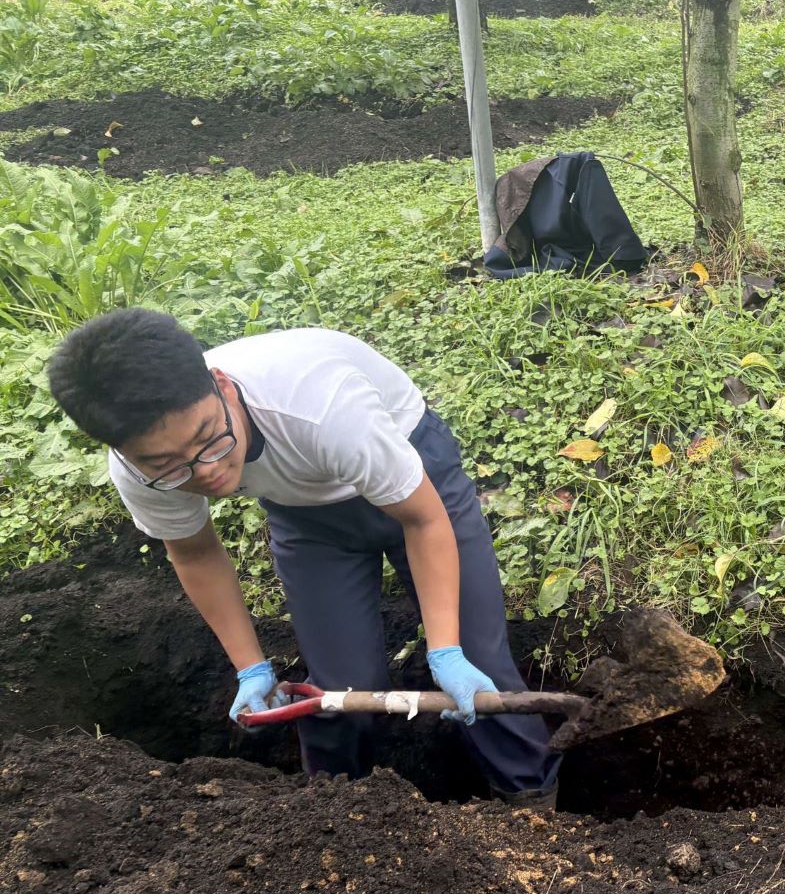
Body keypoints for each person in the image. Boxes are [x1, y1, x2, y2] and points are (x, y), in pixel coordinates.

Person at [47, 310, 560, 807]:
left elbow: (423, 521)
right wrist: (251, 668)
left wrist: (445, 652)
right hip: (308, 518)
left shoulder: (323, 407)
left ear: (222, 386)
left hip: (414, 479)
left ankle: (532, 804)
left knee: (481, 665)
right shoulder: (141, 471)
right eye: (169, 464)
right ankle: (332, 818)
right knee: (337, 692)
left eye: (209, 439)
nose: (205, 472)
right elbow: (196, 553)